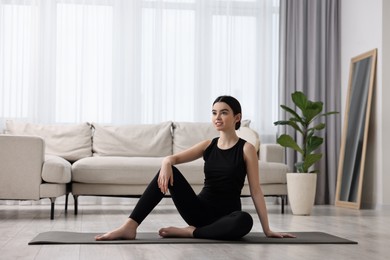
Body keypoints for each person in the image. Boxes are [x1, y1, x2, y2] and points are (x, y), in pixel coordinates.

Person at [95, 95, 295, 241]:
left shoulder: (246, 149)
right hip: (199, 211)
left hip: (227, 217)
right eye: (214, 113)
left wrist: (267, 230)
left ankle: (190, 232)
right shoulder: (208, 145)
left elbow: (256, 190)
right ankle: (130, 226)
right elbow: (174, 158)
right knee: (167, 170)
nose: (217, 117)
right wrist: (166, 162)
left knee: (244, 221)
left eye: (224, 112)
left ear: (237, 117)